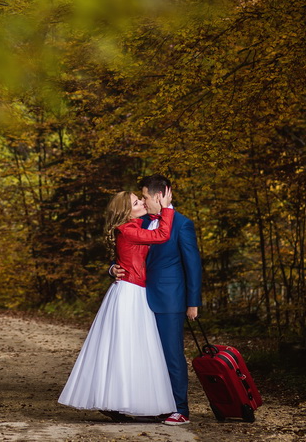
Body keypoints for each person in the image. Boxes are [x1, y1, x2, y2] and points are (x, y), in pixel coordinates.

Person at [58, 188, 177, 417]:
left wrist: (112, 268)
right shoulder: (128, 228)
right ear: (126, 212)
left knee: (135, 349)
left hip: (135, 290)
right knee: (128, 348)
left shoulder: (132, 227)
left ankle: (127, 402)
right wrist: (167, 209)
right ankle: (118, 401)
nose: (142, 202)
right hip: (130, 293)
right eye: (136, 203)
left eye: (140, 199)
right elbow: (161, 236)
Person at [109, 174, 202, 426]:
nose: (144, 200)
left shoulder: (181, 224)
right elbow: (127, 253)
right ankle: (157, 405)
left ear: (159, 196)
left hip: (169, 300)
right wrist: (112, 269)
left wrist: (192, 302)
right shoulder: (141, 221)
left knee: (172, 354)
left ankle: (180, 409)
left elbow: (193, 265)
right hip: (138, 299)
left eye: (146, 197)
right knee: (149, 356)